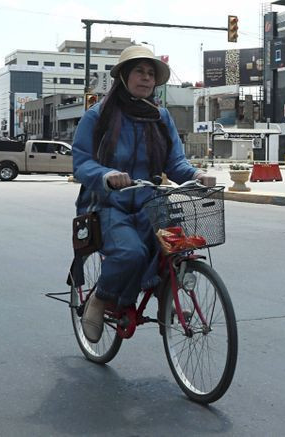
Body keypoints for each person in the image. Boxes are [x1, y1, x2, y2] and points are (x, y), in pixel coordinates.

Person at [72, 45, 213, 342]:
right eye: (139, 71)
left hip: (151, 200)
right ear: (123, 76)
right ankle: (100, 298)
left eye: (151, 73)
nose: (146, 78)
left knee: (177, 249)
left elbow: (175, 163)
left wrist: (196, 174)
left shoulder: (161, 118)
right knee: (131, 253)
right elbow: (81, 163)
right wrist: (106, 175)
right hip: (109, 203)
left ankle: (166, 302)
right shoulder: (97, 117)